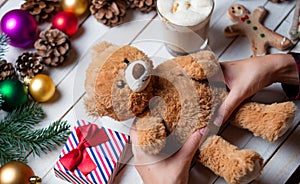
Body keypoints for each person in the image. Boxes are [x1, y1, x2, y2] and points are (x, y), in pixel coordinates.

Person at [129, 52, 300, 184]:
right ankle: (237, 166)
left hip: (217, 98)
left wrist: (280, 67)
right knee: (209, 149)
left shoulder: (168, 68)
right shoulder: (146, 114)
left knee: (237, 108)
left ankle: (269, 119)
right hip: (193, 135)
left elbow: (199, 63)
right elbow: (149, 138)